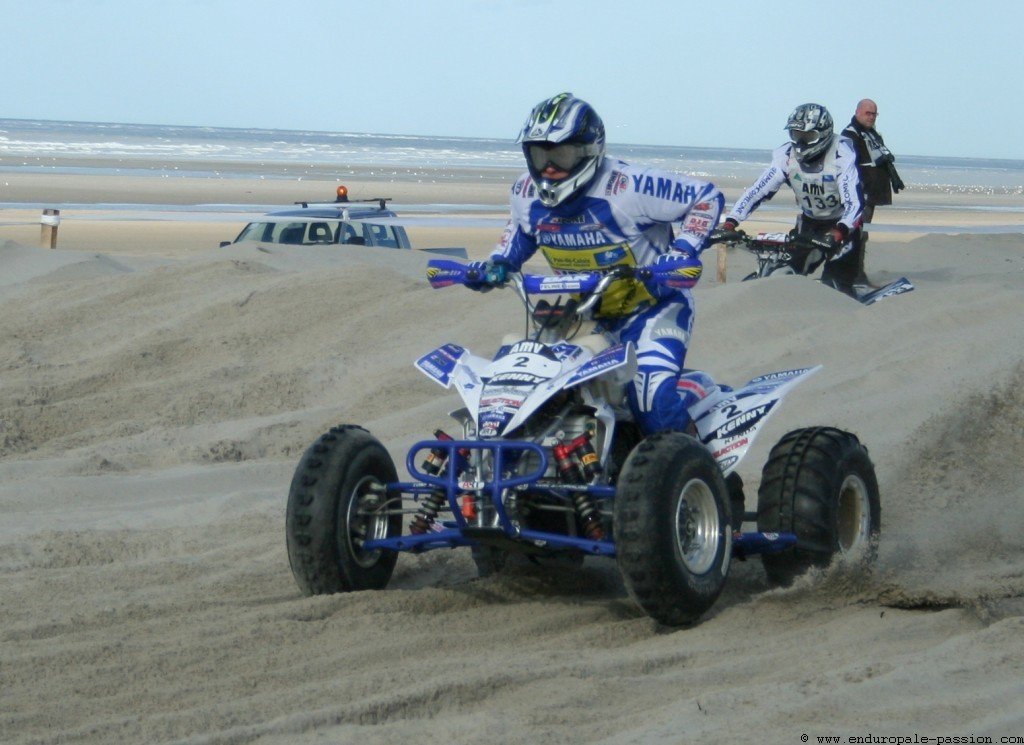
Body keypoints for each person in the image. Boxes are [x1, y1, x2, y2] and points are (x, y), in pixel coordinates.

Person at [466, 92, 723, 436]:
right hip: (582, 317)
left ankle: (698, 476)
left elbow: (705, 198)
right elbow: (518, 239)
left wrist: (682, 250)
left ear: (590, 149)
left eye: (561, 153)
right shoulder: (525, 194)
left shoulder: (630, 186)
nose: (549, 167)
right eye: (539, 154)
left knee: (652, 404)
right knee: (527, 394)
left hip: (651, 310)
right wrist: (494, 266)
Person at [720, 103, 867, 294]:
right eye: (797, 135)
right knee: (782, 274)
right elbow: (757, 191)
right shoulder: (786, 156)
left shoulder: (841, 155)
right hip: (808, 226)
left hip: (842, 227)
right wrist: (731, 222)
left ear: (824, 134)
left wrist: (840, 231)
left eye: (808, 136)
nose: (801, 143)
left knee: (835, 286)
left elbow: (855, 203)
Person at [842, 99, 904, 282]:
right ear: (858, 112)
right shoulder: (849, 135)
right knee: (857, 235)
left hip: (871, 194)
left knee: (862, 235)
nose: (871, 117)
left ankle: (855, 274)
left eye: (874, 114)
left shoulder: (872, 134)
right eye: (868, 113)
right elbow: (848, 166)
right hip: (859, 194)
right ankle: (854, 275)